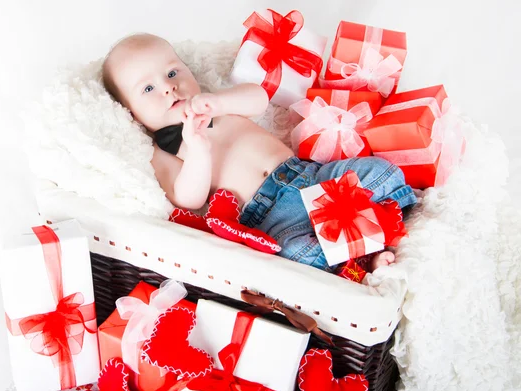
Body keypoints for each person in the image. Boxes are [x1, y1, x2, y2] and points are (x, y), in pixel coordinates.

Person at [102, 33, 417, 272]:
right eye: (148, 89)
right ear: (131, 113)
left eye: (172, 73)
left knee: (381, 170)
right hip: (270, 214)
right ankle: (362, 255)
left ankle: (370, 235)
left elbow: (258, 99)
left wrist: (220, 103)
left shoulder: (217, 105)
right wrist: (198, 151)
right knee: (293, 257)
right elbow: (187, 198)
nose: (168, 88)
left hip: (311, 176)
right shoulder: (164, 148)